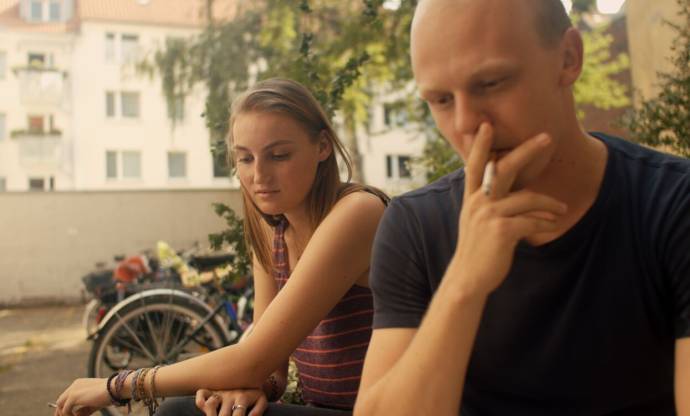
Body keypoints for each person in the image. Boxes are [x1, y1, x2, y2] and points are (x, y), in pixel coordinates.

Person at [353, 0, 690, 415]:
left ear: (568, 58)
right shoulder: (415, 227)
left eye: (491, 83)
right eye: (440, 100)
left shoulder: (673, 204)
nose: (464, 124)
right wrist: (464, 284)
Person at [54, 78, 387, 416]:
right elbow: (270, 368)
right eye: (245, 158)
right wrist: (245, 391)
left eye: (279, 155)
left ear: (323, 147)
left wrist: (118, 385)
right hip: (323, 407)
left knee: (177, 413)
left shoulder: (357, 213)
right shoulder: (270, 227)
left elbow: (253, 359)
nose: (259, 175)